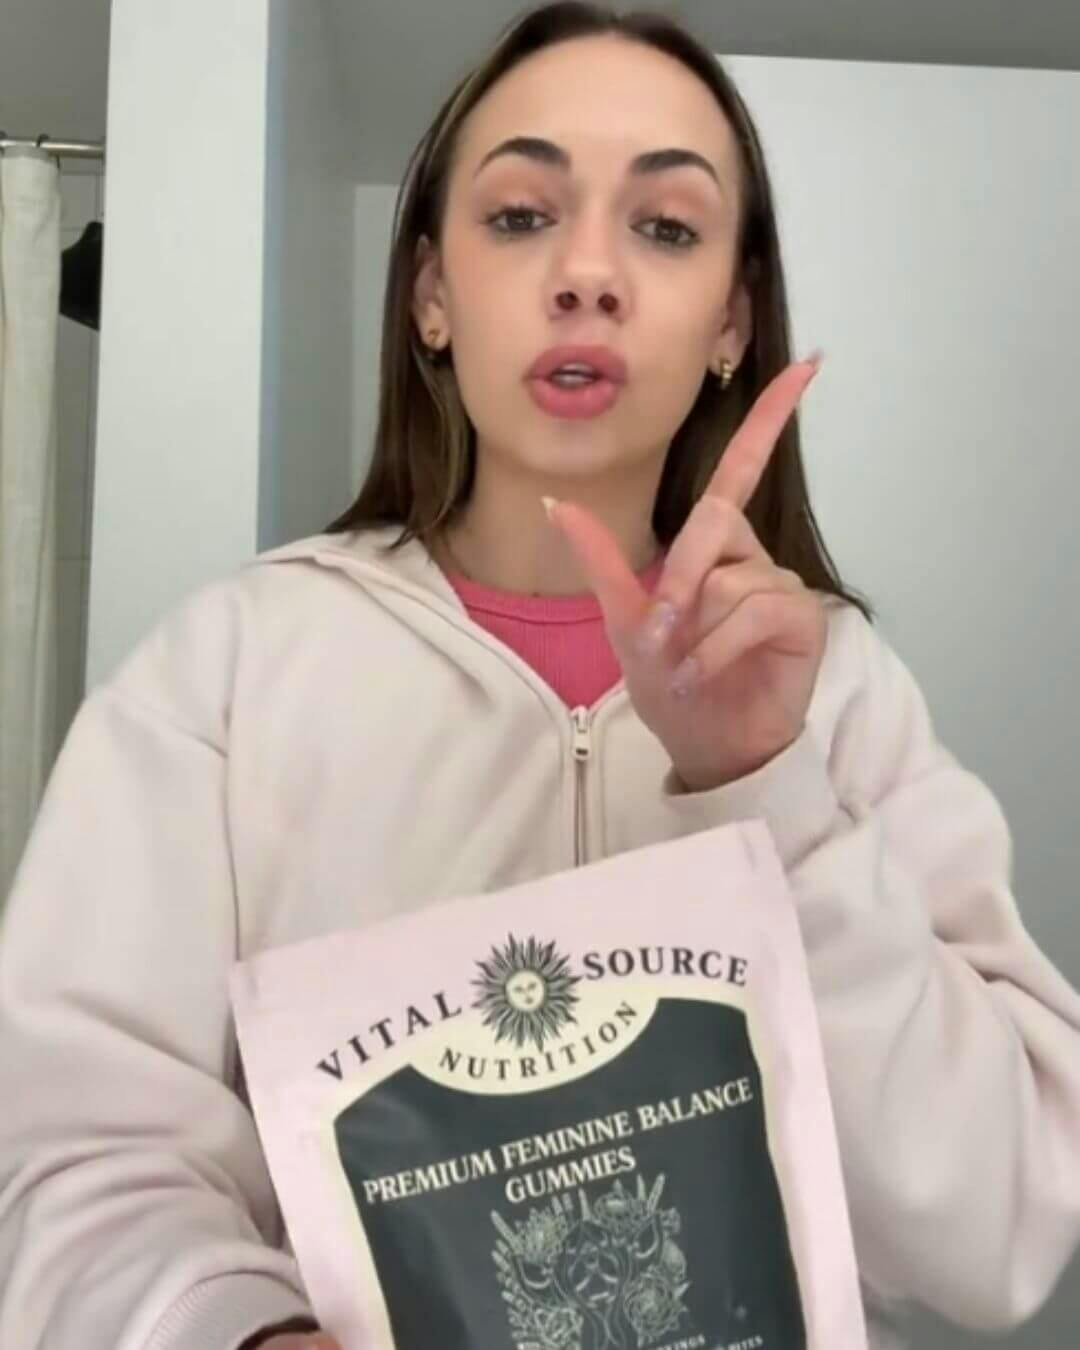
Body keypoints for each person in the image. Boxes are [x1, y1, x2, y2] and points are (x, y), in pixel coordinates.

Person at [1, 4, 1078, 1348]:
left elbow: (1001, 1234)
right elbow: (68, 1159)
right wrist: (235, 1330)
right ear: (430, 295)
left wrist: (770, 786)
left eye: (666, 227)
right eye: (520, 216)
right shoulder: (226, 673)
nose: (588, 274)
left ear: (733, 320)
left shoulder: (839, 693)